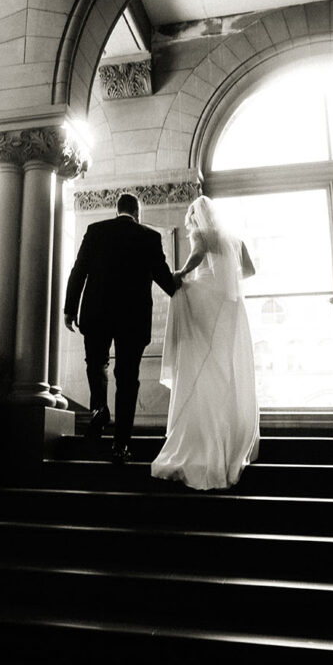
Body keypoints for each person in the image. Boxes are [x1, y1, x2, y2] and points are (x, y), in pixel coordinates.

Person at [150, 195, 259, 490]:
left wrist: (181, 274)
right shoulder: (234, 238)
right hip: (231, 307)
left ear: (196, 217)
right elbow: (249, 271)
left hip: (208, 302)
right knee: (223, 369)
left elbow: (197, 255)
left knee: (201, 366)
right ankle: (225, 443)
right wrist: (227, 279)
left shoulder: (202, 233)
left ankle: (201, 444)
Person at [64, 192, 180, 463]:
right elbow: (165, 280)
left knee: (96, 363)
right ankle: (121, 444)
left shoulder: (95, 231)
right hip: (133, 319)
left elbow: (78, 270)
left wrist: (70, 309)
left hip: (97, 314)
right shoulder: (150, 237)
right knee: (128, 378)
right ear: (137, 213)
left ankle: (99, 409)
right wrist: (184, 284)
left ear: (117, 211)